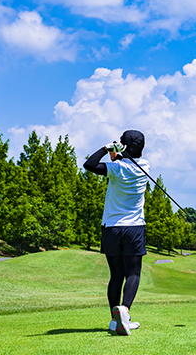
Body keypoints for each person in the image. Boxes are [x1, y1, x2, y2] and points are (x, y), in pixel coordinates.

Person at [83, 129, 149, 336]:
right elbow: (127, 161)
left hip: (111, 228)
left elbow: (89, 165)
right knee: (133, 273)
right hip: (134, 228)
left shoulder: (115, 169)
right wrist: (119, 154)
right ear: (142, 147)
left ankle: (115, 320)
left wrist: (106, 149)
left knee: (116, 275)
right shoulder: (145, 166)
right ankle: (125, 312)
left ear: (122, 145)